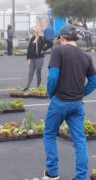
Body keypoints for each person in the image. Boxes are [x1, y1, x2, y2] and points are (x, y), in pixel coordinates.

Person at [42, 24, 96, 180]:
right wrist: (81, 93)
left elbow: (53, 76)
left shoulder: (58, 51)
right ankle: (80, 177)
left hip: (59, 101)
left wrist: (51, 94)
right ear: (76, 38)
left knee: (49, 134)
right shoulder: (86, 56)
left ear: (62, 38)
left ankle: (52, 173)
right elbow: (93, 80)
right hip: (77, 104)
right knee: (79, 140)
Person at [23, 26, 52, 91]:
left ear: (36, 32)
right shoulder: (32, 39)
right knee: (30, 73)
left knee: (38, 72)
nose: (32, 33)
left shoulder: (42, 38)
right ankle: (27, 87)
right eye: (31, 32)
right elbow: (29, 49)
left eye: (32, 32)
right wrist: (28, 58)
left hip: (39, 58)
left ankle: (38, 86)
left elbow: (50, 44)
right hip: (32, 58)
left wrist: (43, 49)